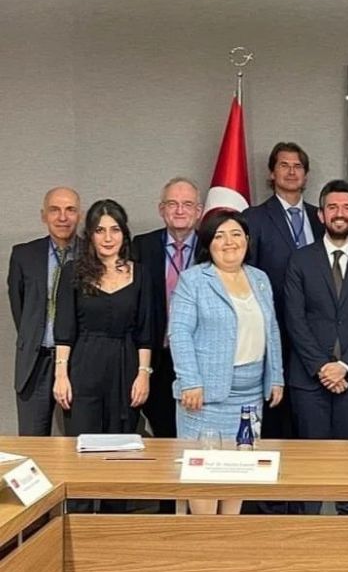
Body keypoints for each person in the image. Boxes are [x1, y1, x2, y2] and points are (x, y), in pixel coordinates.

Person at [168, 210, 284, 516]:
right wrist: (190, 381)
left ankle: (229, 537)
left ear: (247, 240)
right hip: (204, 398)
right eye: (219, 236)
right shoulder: (193, 280)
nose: (229, 242)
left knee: (239, 474)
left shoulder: (260, 279)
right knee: (204, 478)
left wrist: (276, 376)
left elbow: (271, 329)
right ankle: (206, 539)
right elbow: (179, 333)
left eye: (235, 234)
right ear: (208, 244)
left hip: (250, 398)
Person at [283, 179, 348, 515]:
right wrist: (322, 367)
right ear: (320, 215)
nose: (339, 214)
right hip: (309, 379)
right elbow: (294, 319)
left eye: (347, 208)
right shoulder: (300, 260)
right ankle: (308, 525)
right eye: (332, 207)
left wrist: (344, 366)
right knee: (310, 461)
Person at [245, 142, 324, 515]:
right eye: (284, 165)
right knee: (273, 418)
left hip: (316, 340)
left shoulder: (321, 217)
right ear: (271, 173)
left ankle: (302, 500)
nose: (291, 172)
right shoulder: (254, 218)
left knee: (306, 421)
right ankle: (270, 504)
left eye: (298, 166)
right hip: (271, 336)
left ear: (306, 175)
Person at [53, 199, 152, 436]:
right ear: (90, 235)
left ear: (124, 234)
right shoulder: (72, 272)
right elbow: (64, 330)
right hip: (83, 368)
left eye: (114, 230)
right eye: (100, 230)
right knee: (81, 442)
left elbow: (146, 332)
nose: (108, 238)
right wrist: (61, 376)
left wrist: (143, 374)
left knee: (121, 446)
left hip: (126, 369)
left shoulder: (141, 274)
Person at [132, 177, 203, 438]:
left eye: (187, 204)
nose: (180, 210)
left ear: (199, 211)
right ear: (161, 210)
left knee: (197, 431)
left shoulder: (213, 247)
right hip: (156, 357)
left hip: (199, 358)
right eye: (172, 204)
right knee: (162, 431)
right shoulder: (142, 246)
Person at [8, 187, 81, 435]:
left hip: (79, 361)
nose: (63, 217)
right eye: (54, 210)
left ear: (79, 215)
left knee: (81, 441)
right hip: (35, 361)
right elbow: (20, 308)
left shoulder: (92, 254)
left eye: (70, 210)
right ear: (43, 215)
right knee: (32, 441)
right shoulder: (23, 255)